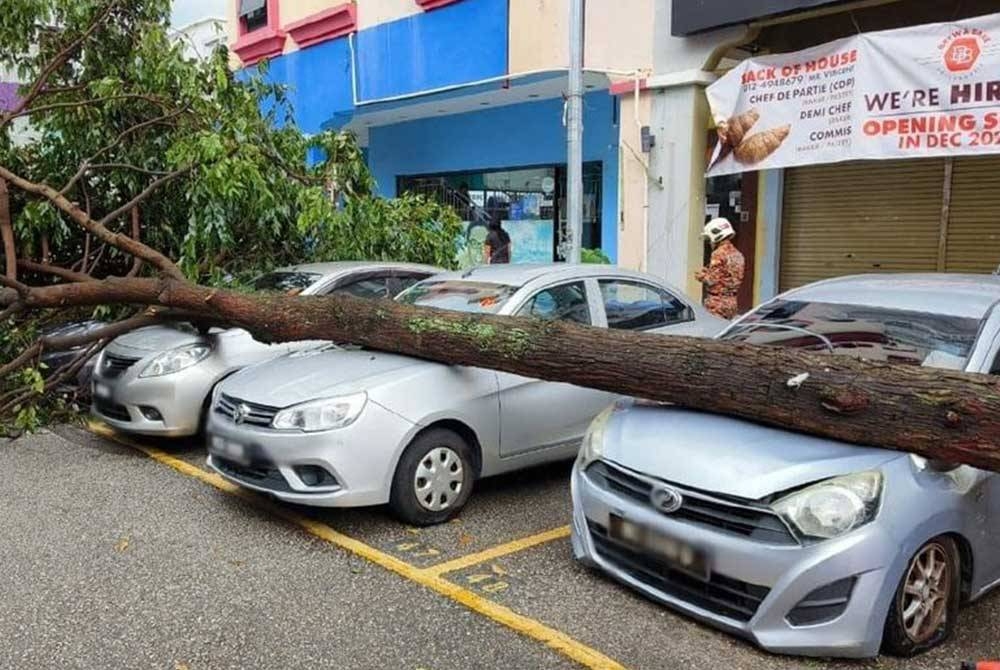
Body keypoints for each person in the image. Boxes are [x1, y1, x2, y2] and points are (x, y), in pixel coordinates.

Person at [695, 217, 745, 319]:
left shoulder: (718, 254)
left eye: (709, 239)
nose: (710, 243)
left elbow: (712, 280)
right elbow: (726, 275)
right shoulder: (738, 254)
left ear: (716, 235)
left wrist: (701, 276)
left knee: (713, 330)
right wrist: (709, 271)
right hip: (732, 301)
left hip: (717, 302)